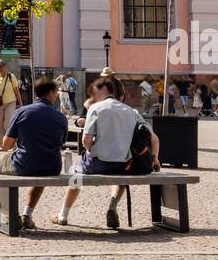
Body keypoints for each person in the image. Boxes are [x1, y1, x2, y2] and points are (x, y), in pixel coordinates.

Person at [52, 75, 160, 230]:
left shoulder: (95, 108)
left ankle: (63, 214)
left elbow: (85, 141)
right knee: (122, 176)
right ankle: (113, 206)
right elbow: (153, 138)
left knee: (77, 172)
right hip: (123, 166)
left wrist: (93, 148)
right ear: (121, 95)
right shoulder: (132, 112)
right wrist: (155, 158)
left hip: (97, 164)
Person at [0, 75, 69, 230]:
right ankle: (27, 214)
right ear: (50, 93)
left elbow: (6, 145)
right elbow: (61, 143)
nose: (56, 96)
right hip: (52, 167)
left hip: (24, 164)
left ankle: (10, 213)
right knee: (41, 170)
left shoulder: (22, 112)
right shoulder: (61, 118)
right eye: (56, 93)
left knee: (0, 167)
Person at [0, 58, 23, 143]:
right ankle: (1, 144)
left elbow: (16, 90)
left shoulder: (11, 77)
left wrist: (21, 103)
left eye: (2, 68)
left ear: (5, 67)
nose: (0, 70)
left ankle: (10, 142)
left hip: (10, 102)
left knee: (7, 123)